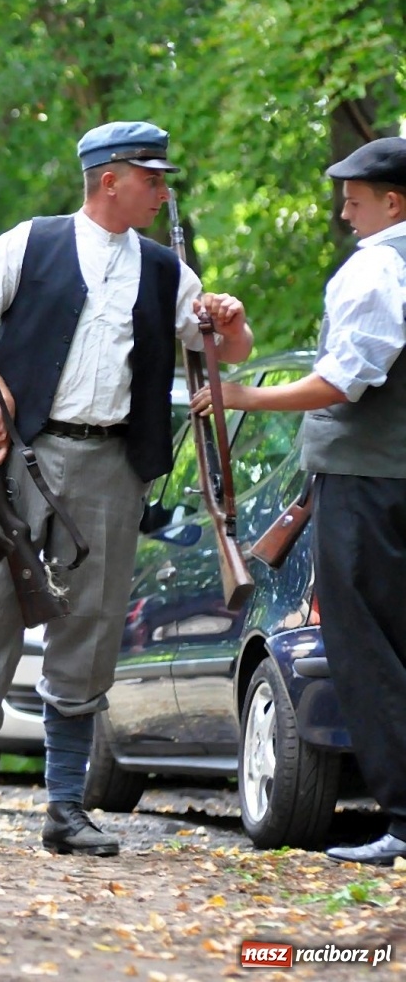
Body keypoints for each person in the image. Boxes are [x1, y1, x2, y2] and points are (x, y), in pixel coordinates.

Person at [0, 121, 253, 858]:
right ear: (109, 179)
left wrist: (232, 322)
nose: (163, 191)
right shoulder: (31, 241)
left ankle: (66, 808)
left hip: (111, 465)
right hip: (12, 458)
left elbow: (223, 352)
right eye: (152, 178)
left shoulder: (165, 272)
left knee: (89, 630)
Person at [190, 136, 406, 867]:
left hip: (367, 487)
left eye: (355, 196)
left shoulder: (377, 268)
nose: (344, 209)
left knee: (369, 649)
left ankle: (404, 820)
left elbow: (344, 382)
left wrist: (242, 394)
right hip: (387, 483)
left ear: (393, 202)